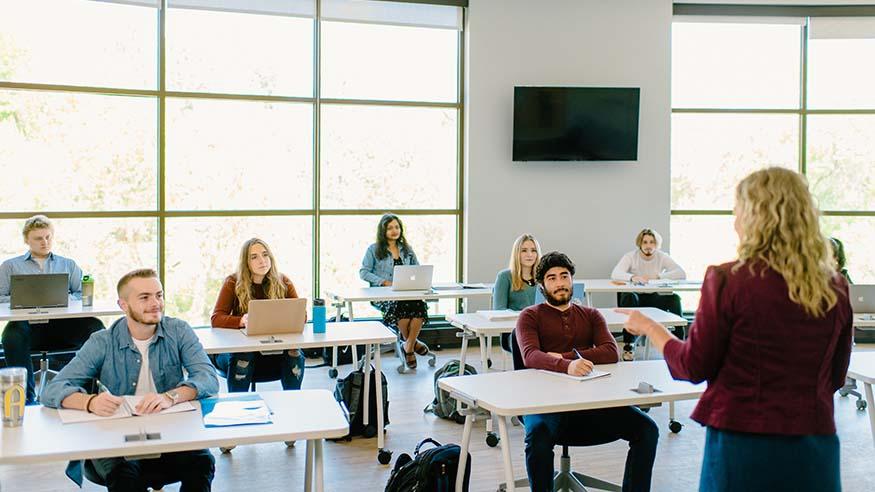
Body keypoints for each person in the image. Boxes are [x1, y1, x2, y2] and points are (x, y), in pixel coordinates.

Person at [620, 167, 852, 492]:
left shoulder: (729, 280)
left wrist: (650, 328)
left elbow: (692, 366)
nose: (735, 222)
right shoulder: (836, 287)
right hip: (814, 443)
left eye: (738, 212)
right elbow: (837, 376)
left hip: (743, 443)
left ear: (756, 218)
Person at [42, 268, 218, 491]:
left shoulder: (179, 331)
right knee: (125, 475)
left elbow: (208, 378)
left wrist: (170, 397)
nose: (155, 303)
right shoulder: (103, 341)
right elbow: (52, 389)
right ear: (123, 305)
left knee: (203, 462)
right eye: (144, 297)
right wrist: (90, 402)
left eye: (159, 295)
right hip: (117, 439)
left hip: (172, 432)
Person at [517, 251, 658, 492]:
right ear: (542, 286)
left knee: (647, 429)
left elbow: (610, 352)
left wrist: (566, 357)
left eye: (564, 276)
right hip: (544, 404)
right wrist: (567, 367)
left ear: (572, 280)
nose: (560, 283)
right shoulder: (529, 316)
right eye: (552, 278)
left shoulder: (591, 315)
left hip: (592, 403)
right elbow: (531, 356)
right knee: (538, 437)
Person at [0, 215, 104, 403]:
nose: (44, 242)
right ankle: (25, 397)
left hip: (62, 326)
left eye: (48, 237)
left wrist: (63, 298)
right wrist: (22, 300)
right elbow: (0, 297)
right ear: (27, 240)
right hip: (28, 328)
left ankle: (85, 391)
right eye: (38, 238)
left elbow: (81, 293)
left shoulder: (68, 264)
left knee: (95, 327)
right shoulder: (10, 266)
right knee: (11, 335)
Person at [211, 238, 305, 392]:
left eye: (265, 255)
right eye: (254, 257)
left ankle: (293, 402)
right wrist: (241, 320)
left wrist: (287, 319)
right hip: (239, 351)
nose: (262, 261)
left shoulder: (283, 282)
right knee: (243, 355)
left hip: (274, 350)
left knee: (294, 352)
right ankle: (238, 408)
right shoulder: (233, 282)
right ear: (246, 262)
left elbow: (302, 315)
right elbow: (216, 318)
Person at [360, 213, 429, 369]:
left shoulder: (406, 249)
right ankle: (412, 345)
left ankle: (408, 345)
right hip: (383, 296)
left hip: (406, 293)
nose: (394, 230)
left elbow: (417, 269)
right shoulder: (374, 249)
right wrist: (384, 282)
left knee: (419, 305)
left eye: (397, 227)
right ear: (383, 231)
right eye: (390, 227)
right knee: (401, 307)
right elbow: (364, 272)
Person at [611, 228, 686, 361]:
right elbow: (615, 273)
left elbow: (681, 273)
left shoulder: (662, 256)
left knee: (674, 299)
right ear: (640, 243)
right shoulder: (630, 256)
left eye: (652, 242)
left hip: (654, 297)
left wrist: (659, 276)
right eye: (645, 242)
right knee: (629, 297)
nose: (648, 246)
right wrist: (633, 277)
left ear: (656, 244)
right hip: (636, 298)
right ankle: (629, 346)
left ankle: (680, 345)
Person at [493, 233, 541, 351]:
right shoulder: (505, 277)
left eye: (533, 250)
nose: (529, 254)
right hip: (515, 333)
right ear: (516, 253)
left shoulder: (543, 278)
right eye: (524, 250)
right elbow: (499, 310)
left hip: (540, 330)